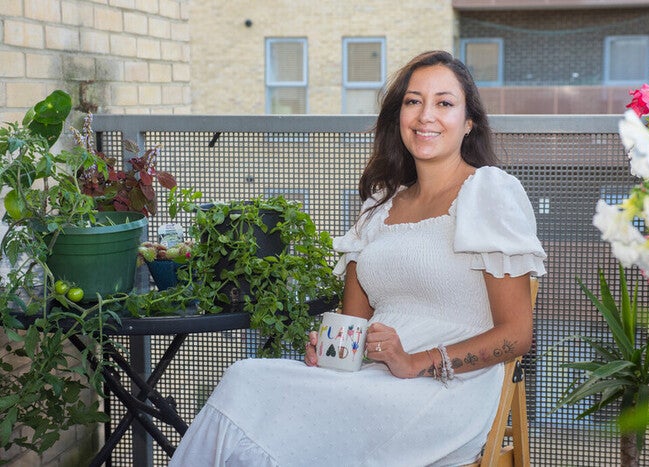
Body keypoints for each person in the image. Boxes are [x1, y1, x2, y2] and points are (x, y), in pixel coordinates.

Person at [169, 50, 546, 467]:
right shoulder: (380, 205)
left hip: (444, 393)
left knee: (270, 413)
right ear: (398, 115)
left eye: (444, 102)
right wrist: (328, 354)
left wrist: (416, 362)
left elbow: (517, 335)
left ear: (468, 121)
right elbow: (353, 325)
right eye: (413, 101)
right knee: (246, 381)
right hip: (370, 380)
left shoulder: (489, 192)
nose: (426, 116)